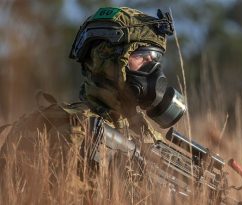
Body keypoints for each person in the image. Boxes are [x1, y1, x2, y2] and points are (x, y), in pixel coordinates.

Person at [0, 7, 186, 203]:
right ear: (107, 58)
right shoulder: (66, 126)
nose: (153, 68)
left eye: (155, 59)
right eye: (142, 56)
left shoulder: (146, 134)